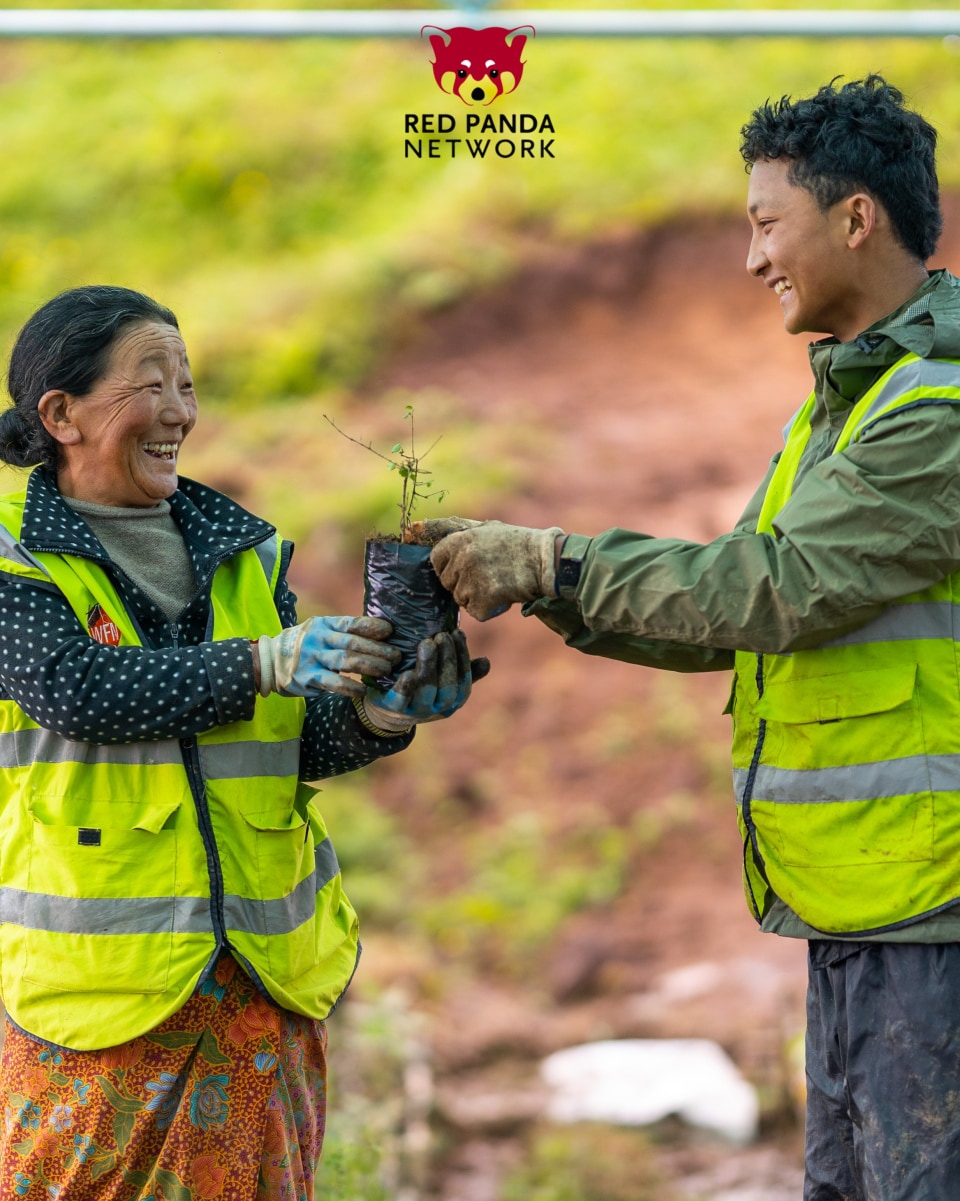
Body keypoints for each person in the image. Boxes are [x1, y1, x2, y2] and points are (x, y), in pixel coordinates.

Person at [420, 76, 960, 1200]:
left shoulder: (933, 410)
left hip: (934, 914)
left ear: (857, 218)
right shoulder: (844, 408)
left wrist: (557, 560)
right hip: (873, 901)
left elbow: (777, 589)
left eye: (768, 222)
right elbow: (744, 624)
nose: (754, 256)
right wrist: (550, 589)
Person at [0, 284, 486, 1200]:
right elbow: (78, 689)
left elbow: (292, 739)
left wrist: (386, 712)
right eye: (151, 384)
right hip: (103, 1011)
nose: (181, 411)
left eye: (188, 384)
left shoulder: (243, 553)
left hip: (259, 990)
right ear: (59, 414)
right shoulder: (14, 560)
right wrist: (267, 660)